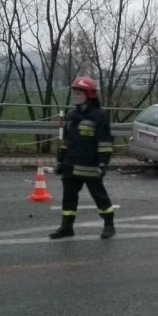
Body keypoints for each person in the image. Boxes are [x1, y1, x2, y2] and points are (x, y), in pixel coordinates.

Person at [50, 76, 116, 240]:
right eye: (75, 93)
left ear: (89, 94)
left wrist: (102, 163)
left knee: (100, 197)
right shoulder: (72, 116)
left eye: (79, 93)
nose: (76, 96)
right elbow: (66, 142)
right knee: (68, 199)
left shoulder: (98, 116)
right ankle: (66, 227)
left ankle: (109, 225)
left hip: (90, 166)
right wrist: (60, 161)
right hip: (71, 165)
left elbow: (105, 142)